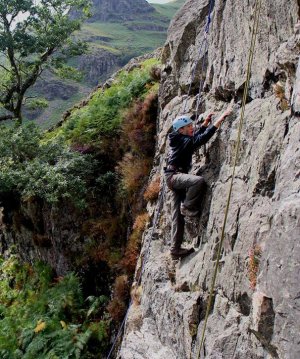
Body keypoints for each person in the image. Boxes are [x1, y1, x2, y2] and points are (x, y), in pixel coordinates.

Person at [165, 107, 232, 260]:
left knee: (177, 216)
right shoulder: (182, 140)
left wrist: (205, 124)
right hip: (175, 176)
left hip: (173, 176)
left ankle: (175, 250)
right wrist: (219, 121)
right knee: (198, 181)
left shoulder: (180, 138)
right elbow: (199, 140)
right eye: (188, 127)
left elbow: (193, 139)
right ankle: (188, 206)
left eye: (191, 126)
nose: (191, 128)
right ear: (181, 130)